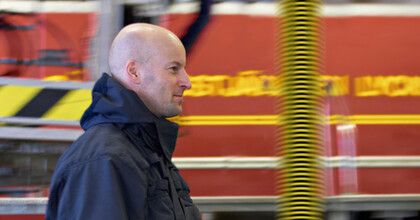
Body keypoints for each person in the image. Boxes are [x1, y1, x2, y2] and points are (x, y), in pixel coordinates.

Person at [46, 23, 201, 220]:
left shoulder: (143, 148)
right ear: (134, 72)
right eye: (173, 69)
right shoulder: (106, 159)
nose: (187, 82)